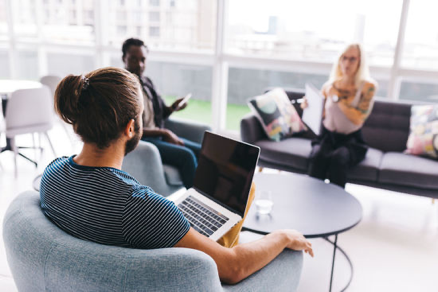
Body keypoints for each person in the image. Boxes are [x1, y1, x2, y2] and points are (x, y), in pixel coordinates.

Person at [40, 67, 313, 285]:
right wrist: (283, 237)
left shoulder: (51, 175)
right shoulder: (140, 207)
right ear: (131, 128)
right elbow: (233, 268)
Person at [122, 38, 200, 189]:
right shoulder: (123, 89)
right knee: (187, 156)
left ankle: (213, 198)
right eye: (133, 59)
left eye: (143, 60)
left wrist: (173, 108)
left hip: (159, 136)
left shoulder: (147, 82)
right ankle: (196, 201)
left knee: (203, 152)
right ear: (123, 58)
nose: (139, 65)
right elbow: (129, 129)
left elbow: (161, 113)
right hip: (144, 140)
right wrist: (164, 132)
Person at [302, 43, 377, 188]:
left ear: (360, 62)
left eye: (352, 59)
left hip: (351, 140)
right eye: (344, 58)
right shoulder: (330, 85)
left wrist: (337, 99)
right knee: (317, 157)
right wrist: (309, 106)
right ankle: (312, 200)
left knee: (339, 158)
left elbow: (358, 118)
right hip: (327, 137)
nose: (347, 63)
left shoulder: (368, 87)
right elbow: (321, 115)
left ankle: (336, 204)